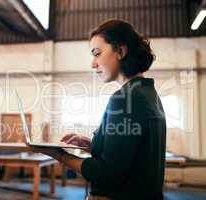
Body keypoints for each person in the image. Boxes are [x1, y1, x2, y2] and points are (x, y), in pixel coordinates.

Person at [29, 19, 166, 200]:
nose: (93, 64)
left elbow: (105, 173)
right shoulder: (148, 94)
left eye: (97, 53)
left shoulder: (124, 99)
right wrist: (91, 145)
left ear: (120, 51)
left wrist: (58, 154)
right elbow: (128, 156)